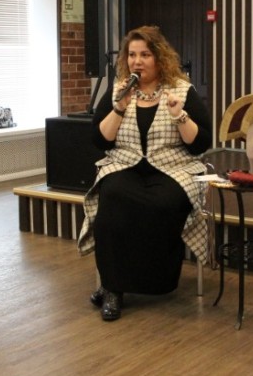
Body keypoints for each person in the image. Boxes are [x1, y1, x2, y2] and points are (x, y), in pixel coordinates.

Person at [77, 26, 212, 321]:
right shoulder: (118, 90)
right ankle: (112, 289)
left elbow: (201, 143)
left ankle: (149, 280)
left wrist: (180, 116)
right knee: (112, 197)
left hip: (173, 168)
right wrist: (119, 109)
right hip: (125, 165)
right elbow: (100, 140)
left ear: (159, 58)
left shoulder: (181, 90)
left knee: (163, 203)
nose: (137, 61)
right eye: (132, 55)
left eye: (145, 55)